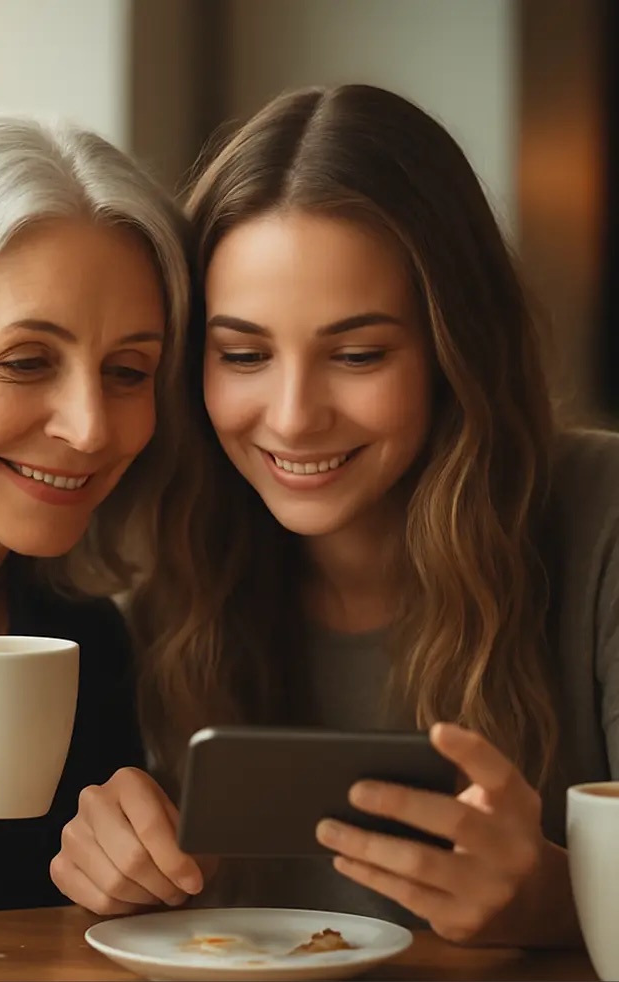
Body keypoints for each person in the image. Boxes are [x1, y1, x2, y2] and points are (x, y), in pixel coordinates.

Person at [52, 84, 619, 947]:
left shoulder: (601, 520)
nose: (291, 415)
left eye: (357, 354)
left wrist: (557, 898)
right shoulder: (150, 559)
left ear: (454, 349)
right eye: (242, 353)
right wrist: (110, 871)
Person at [0, 110, 191, 918]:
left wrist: (129, 887)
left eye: (128, 371)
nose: (90, 429)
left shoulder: (87, 643)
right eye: (26, 362)